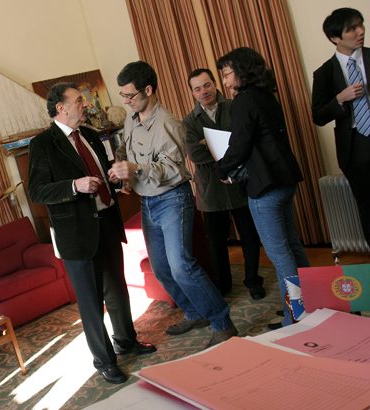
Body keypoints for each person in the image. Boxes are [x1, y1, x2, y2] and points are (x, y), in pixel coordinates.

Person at [27, 82, 155, 384]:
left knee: (118, 290)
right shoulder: (43, 144)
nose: (85, 104)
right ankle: (104, 360)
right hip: (76, 234)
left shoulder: (91, 135)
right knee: (91, 302)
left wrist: (115, 179)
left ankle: (126, 340)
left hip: (107, 221)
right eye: (79, 100)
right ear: (61, 108)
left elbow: (102, 170)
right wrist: (74, 186)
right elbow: (37, 190)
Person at [109, 61, 237, 348]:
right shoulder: (131, 119)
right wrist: (122, 169)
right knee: (162, 269)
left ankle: (223, 323)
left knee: (181, 267)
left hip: (173, 199)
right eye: (123, 96)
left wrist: (136, 168)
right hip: (147, 201)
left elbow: (172, 169)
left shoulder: (169, 123)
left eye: (130, 95)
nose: (126, 102)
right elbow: (125, 149)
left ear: (148, 90)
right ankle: (194, 312)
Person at [216, 47, 310, 329]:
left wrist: (223, 169)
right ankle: (311, 304)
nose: (224, 81)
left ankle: (296, 317)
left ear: (242, 71)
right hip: (285, 180)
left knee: (280, 254)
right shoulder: (267, 95)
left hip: (265, 186)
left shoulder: (243, 101)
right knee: (293, 246)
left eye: (227, 74)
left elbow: (239, 145)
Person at [183, 68, 265, 300]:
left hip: (240, 182)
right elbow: (195, 155)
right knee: (216, 243)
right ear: (192, 93)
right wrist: (230, 146)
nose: (203, 91)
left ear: (215, 84)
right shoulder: (188, 121)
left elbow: (246, 141)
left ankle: (253, 280)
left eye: (207, 85)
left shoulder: (234, 107)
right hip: (211, 189)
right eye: (197, 89)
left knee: (250, 236)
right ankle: (223, 285)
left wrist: (207, 143)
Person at [312, 8, 370, 244]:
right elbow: (318, 116)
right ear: (335, 38)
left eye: (360, 24)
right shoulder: (324, 73)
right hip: (355, 147)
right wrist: (339, 99)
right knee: (367, 207)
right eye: (352, 29)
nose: (360, 31)